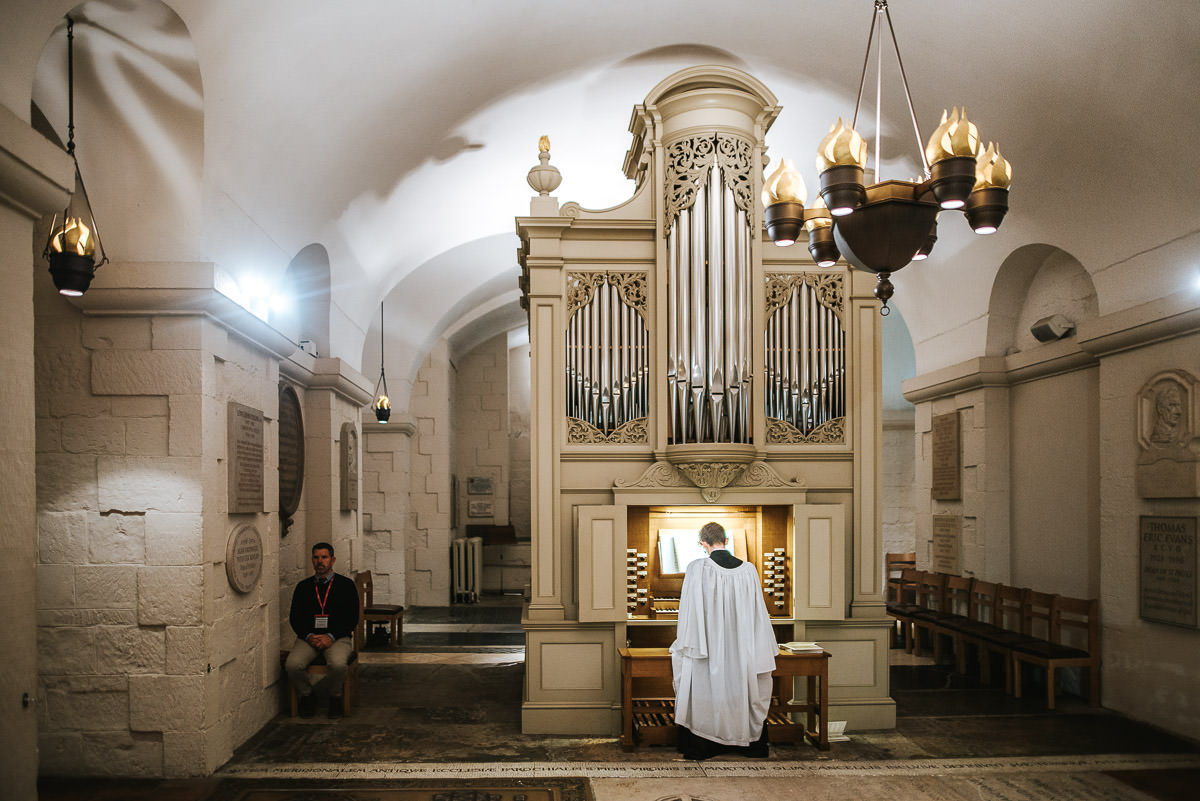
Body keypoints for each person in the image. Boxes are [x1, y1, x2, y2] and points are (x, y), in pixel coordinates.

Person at [670, 521, 778, 760]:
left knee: (689, 666)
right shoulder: (749, 569)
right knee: (742, 683)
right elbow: (758, 612)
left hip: (707, 646)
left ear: (702, 543)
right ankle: (746, 742)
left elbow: (688, 612)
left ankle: (704, 743)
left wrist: (686, 643)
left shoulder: (697, 568)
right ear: (727, 541)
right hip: (743, 646)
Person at [285, 542, 360, 717]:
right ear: (312, 560)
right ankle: (307, 695)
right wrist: (310, 636)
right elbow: (295, 618)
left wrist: (331, 636)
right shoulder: (303, 587)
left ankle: (335, 697)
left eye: (324, 557)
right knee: (292, 665)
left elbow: (352, 618)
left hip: (337, 637)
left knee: (338, 665)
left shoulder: (346, 585)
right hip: (309, 638)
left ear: (332, 560)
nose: (320, 561)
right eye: (316, 557)